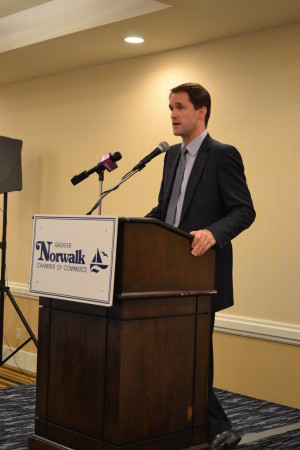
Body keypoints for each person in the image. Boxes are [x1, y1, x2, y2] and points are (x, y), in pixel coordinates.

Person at [146, 82, 255, 450]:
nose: (173, 115)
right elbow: (166, 212)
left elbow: (244, 210)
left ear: (201, 111)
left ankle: (217, 426)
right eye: (170, 108)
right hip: (168, 271)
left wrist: (213, 231)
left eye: (179, 107)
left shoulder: (223, 155)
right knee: (174, 349)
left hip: (201, 273)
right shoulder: (171, 158)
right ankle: (191, 420)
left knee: (194, 348)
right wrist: (133, 227)